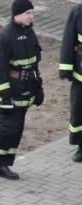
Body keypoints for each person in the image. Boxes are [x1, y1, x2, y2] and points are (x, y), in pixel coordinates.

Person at [0, 0, 43, 179]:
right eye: (28, 13)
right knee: (6, 128)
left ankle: (1, 165)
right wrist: (5, 95)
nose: (32, 16)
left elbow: (34, 64)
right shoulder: (5, 37)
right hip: (8, 92)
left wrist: (38, 88)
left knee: (16, 130)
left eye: (32, 13)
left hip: (25, 90)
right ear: (17, 14)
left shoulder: (30, 33)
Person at [59, 3, 82, 162]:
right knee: (79, 111)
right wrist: (66, 68)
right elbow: (68, 40)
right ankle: (81, 146)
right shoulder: (78, 12)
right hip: (81, 76)